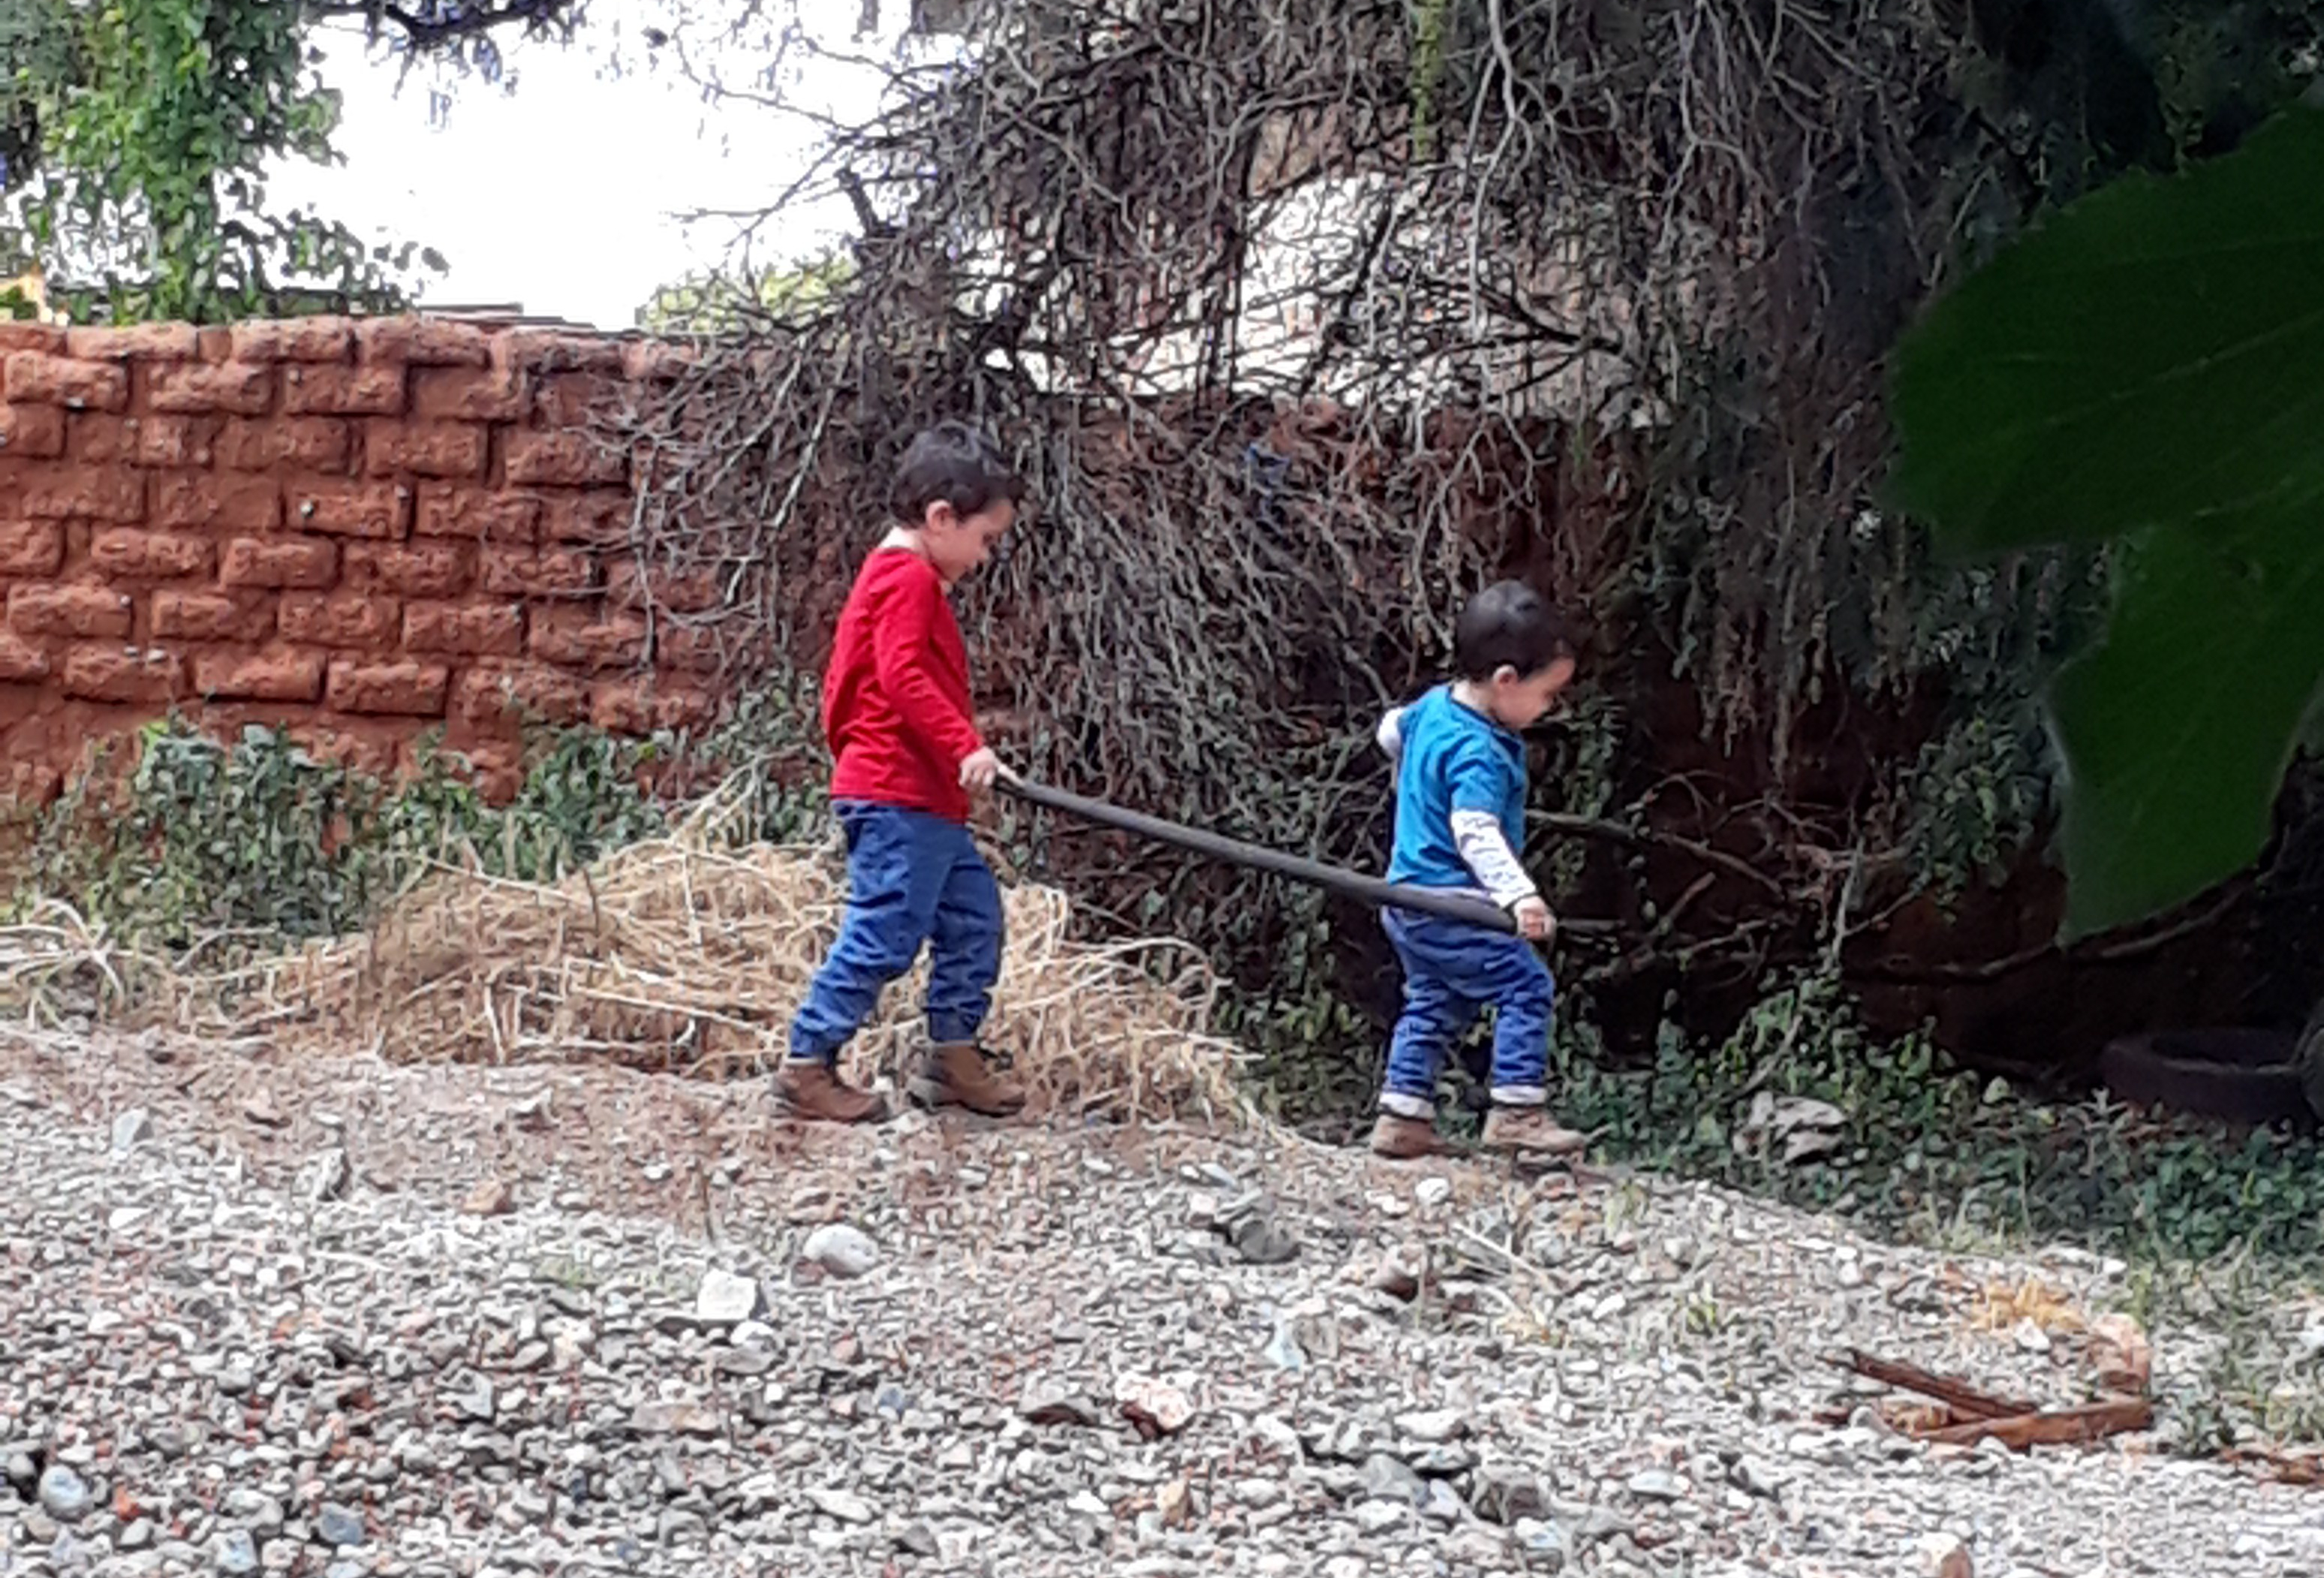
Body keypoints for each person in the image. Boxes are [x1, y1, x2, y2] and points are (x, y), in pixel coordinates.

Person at [775, 420, 1028, 1125]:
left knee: (973, 919)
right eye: (985, 538)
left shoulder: (899, 580)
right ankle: (807, 1061)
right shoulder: (906, 580)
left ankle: (951, 1056)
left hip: (924, 801)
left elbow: (846, 691)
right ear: (941, 518)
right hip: (898, 797)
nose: (984, 556)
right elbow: (903, 676)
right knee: (885, 929)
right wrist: (964, 747)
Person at [1368, 579, 1589, 1160]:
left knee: (1433, 999)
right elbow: (1475, 831)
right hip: (1452, 902)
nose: (1550, 708)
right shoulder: (1480, 752)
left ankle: (1402, 1117)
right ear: (1506, 680)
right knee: (1525, 985)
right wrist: (1520, 896)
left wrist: (1415, 772)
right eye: (1547, 695)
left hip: (1405, 898)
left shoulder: (1434, 706)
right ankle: (1517, 1112)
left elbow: (1389, 731)